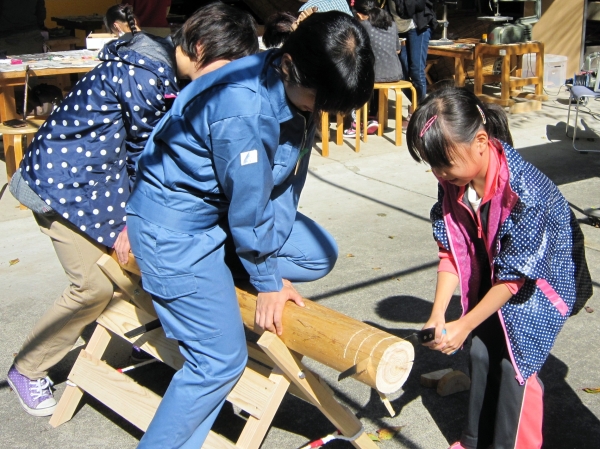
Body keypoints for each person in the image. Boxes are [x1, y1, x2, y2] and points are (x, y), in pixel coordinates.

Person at [126, 10, 374, 448]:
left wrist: (269, 270)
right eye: (318, 102)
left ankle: (221, 283)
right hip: (176, 229)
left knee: (317, 253)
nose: (320, 113)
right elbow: (249, 207)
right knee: (217, 363)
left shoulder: (292, 80)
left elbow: (278, 187)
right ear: (290, 64)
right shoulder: (242, 106)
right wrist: (267, 280)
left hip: (221, 213)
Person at [6, 2, 258, 418]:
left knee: (137, 269)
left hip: (96, 186)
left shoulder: (167, 69)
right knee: (93, 287)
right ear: (198, 48)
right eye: (225, 65)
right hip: (63, 187)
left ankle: (182, 355)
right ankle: (27, 368)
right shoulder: (148, 72)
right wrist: (133, 219)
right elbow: (144, 155)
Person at [406, 87, 592, 449]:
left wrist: (465, 322)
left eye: (444, 163)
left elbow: (514, 279)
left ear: (479, 141)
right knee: (479, 349)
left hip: (539, 286)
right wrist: (439, 314)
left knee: (514, 366)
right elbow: (451, 250)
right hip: (495, 275)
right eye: (433, 165)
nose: (438, 173)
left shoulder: (527, 193)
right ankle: (475, 439)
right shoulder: (453, 181)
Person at [344, 0, 402, 136]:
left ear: (359, 14)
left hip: (375, 75)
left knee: (355, 80)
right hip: (395, 73)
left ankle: (355, 124)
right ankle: (373, 117)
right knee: (373, 76)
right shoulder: (392, 25)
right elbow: (398, 50)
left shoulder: (363, 26)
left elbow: (356, 50)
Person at [386, 0, 436, 127]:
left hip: (418, 27)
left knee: (416, 70)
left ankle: (419, 114)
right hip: (399, 30)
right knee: (401, 74)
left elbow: (416, 5)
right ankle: (417, 105)